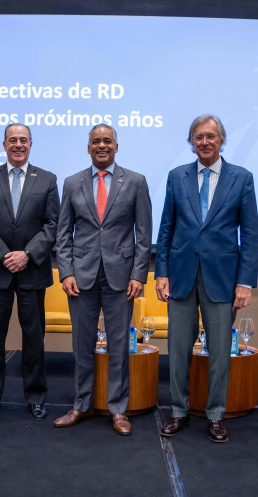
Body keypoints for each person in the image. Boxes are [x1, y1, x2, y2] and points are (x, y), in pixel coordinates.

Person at [155, 114, 258, 443]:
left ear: (221, 140)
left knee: (219, 355)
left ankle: (215, 415)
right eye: (198, 137)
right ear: (191, 142)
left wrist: (245, 282)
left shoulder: (241, 178)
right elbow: (166, 228)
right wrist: (162, 273)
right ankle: (178, 412)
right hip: (182, 277)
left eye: (211, 136)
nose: (204, 141)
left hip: (223, 280)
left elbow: (250, 233)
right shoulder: (177, 176)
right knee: (179, 349)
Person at [52, 124, 152, 436]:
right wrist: (66, 272)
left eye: (107, 141)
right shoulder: (71, 183)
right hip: (80, 279)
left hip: (121, 278)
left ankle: (118, 409)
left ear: (116, 147)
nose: (101, 146)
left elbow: (144, 236)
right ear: (88, 147)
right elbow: (62, 235)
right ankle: (81, 405)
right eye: (96, 141)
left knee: (119, 345)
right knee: (82, 345)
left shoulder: (135, 181)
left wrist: (139, 275)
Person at [0, 123, 59, 420]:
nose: (18, 144)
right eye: (13, 140)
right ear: (4, 144)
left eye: (23, 140)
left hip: (32, 270)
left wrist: (27, 255)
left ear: (31, 144)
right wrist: (4, 256)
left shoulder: (47, 179)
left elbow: (52, 225)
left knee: (34, 338)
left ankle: (36, 396)